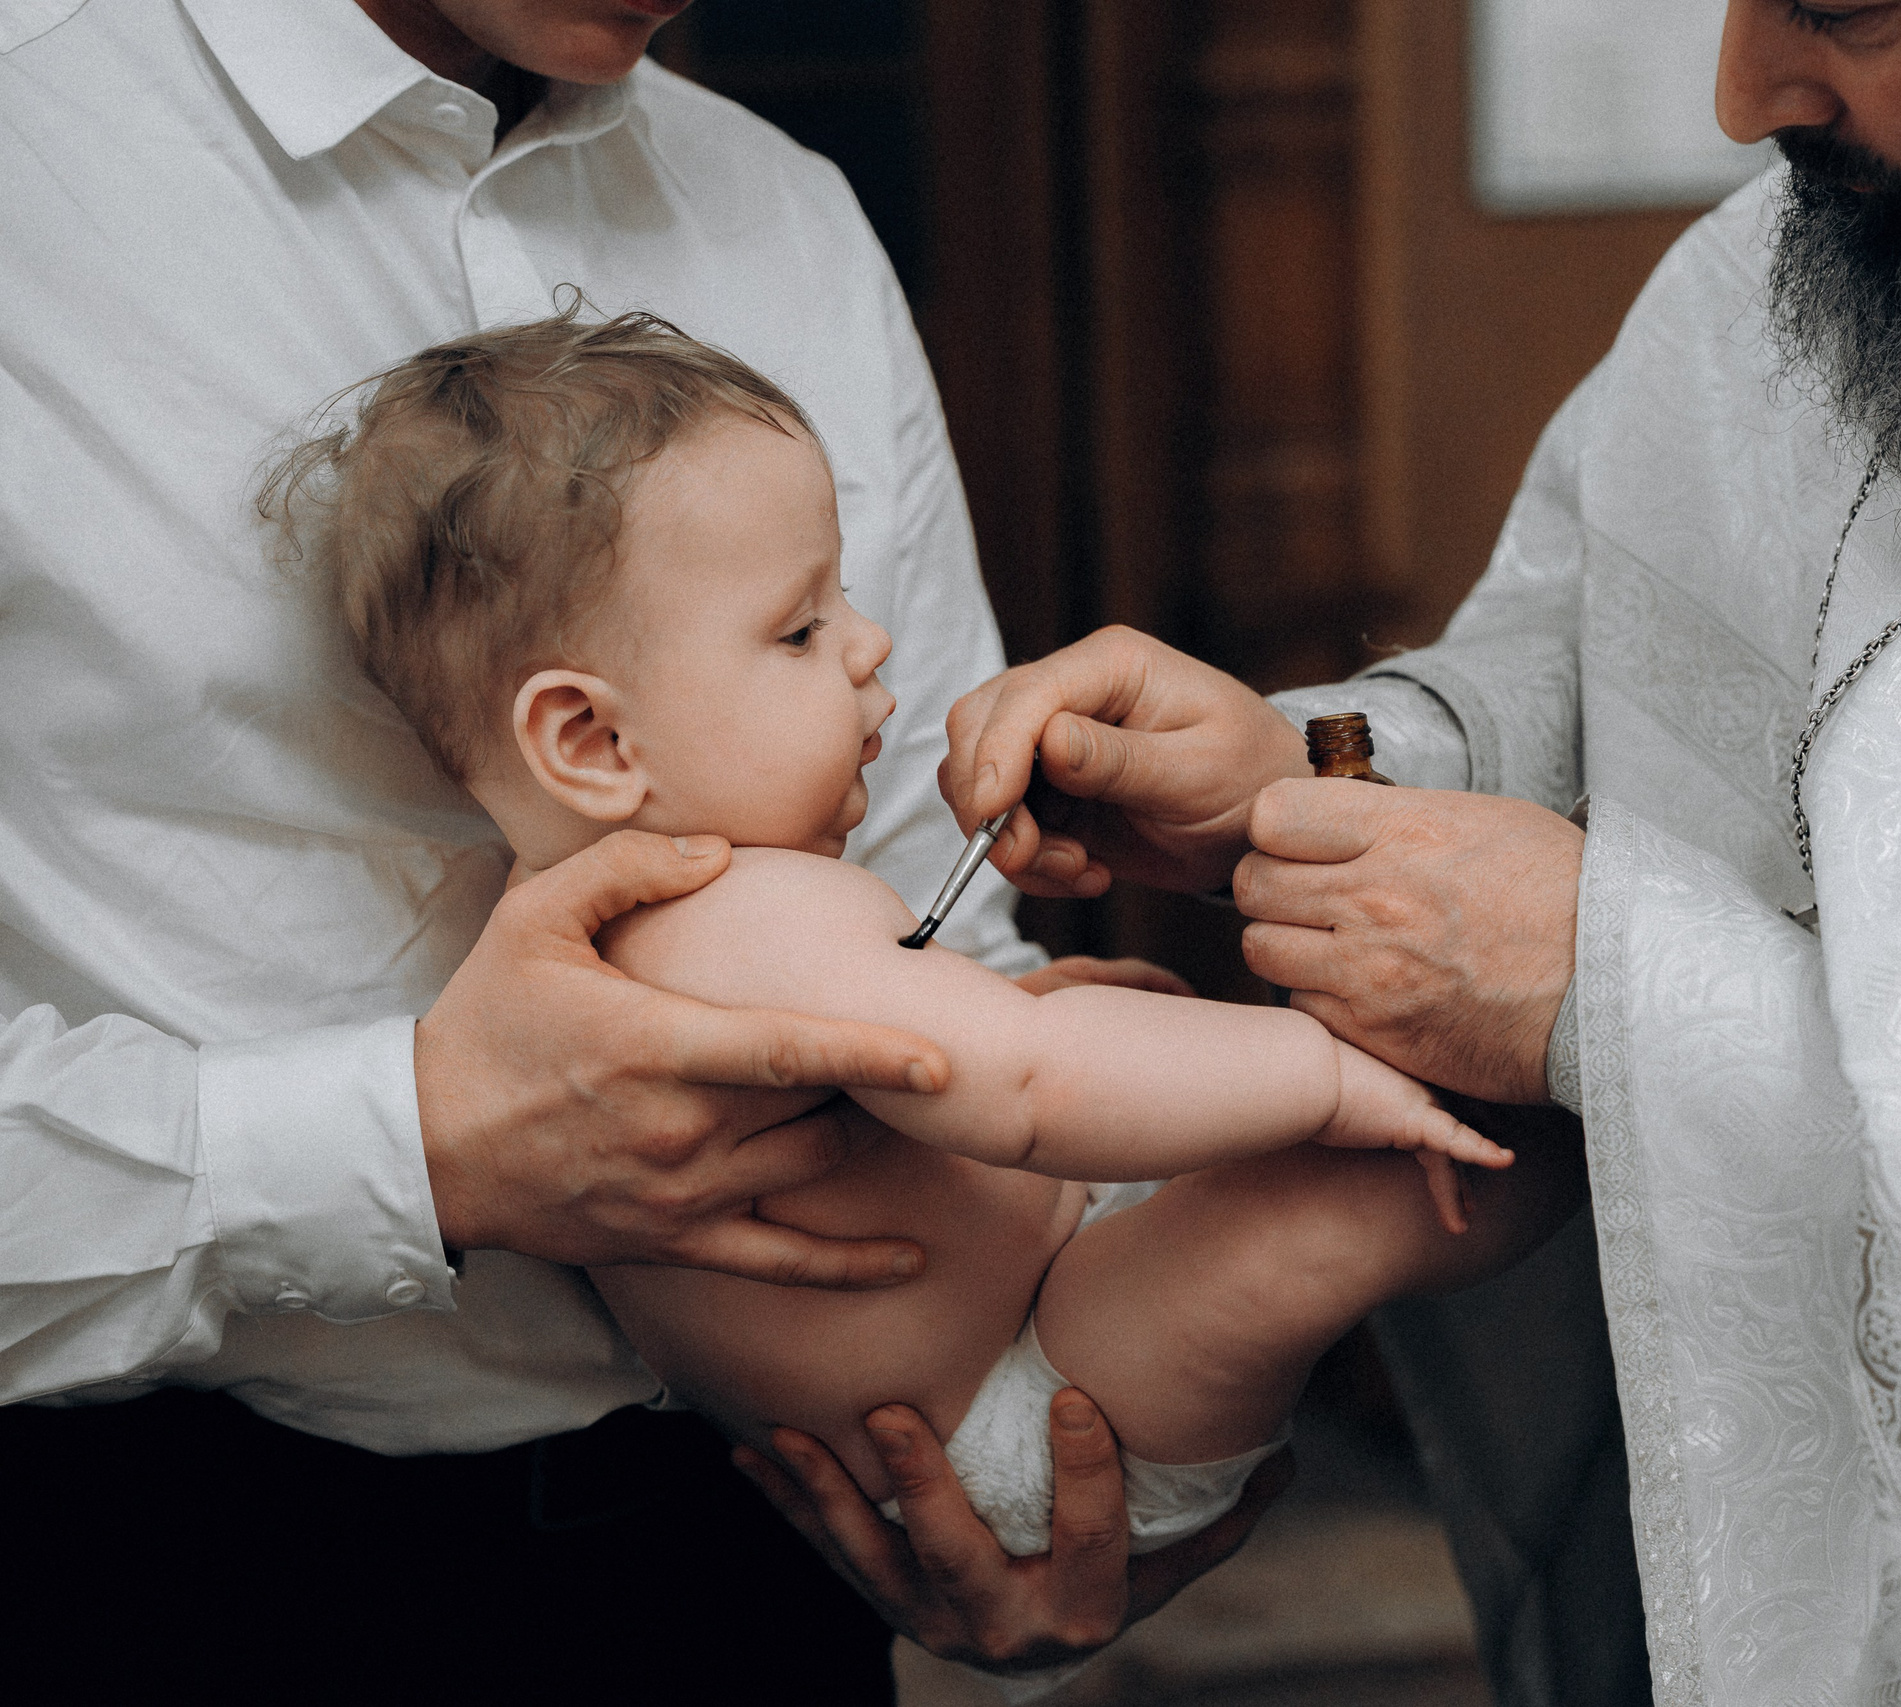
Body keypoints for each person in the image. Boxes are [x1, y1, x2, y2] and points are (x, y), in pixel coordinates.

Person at [870, 0, 1901, 1698]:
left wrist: (1610, 983)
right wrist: (1306, 772)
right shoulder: (1825, 244)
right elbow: (1623, 669)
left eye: (1841, 7)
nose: (1741, 93)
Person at [0, 0, 1252, 1690]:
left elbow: (915, 892)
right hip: (141, 1557)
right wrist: (406, 1145)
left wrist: (1069, 1445)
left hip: (752, 1542)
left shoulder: (784, 211)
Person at [263, 311, 1579, 1641]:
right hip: (1020, 1416)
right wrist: (1327, 1080)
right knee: (1344, 1207)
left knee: (1276, 1142)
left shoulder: (599, 937)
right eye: (797, 628)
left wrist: (1044, 1016)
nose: (870, 644)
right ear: (593, 738)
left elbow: (940, 1081)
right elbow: (1015, 1085)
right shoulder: (725, 916)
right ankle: (1570, 1121)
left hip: (1032, 1325)